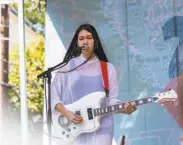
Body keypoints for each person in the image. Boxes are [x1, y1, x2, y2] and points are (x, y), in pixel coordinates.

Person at [51, 24, 137, 145]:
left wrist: (123, 108)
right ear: (77, 43)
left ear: (95, 41)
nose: (85, 41)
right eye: (81, 39)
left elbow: (111, 99)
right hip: (75, 126)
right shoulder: (68, 67)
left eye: (89, 37)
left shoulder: (107, 68)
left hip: (103, 128)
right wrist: (67, 113)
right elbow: (53, 96)